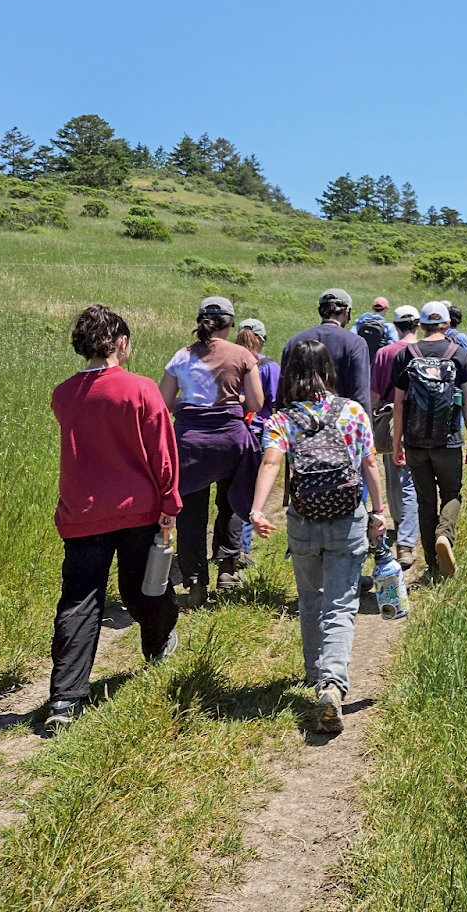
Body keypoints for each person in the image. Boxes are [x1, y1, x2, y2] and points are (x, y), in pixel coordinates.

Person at [47, 305, 181, 728]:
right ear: (121, 343)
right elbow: (163, 454)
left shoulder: (63, 394)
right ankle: (158, 644)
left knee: (79, 601)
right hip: (138, 509)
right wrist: (170, 504)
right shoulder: (141, 390)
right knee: (145, 586)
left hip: (82, 513)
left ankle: (65, 702)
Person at [248, 340, 387, 733]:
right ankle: (331, 683)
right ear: (328, 371)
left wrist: (258, 510)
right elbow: (369, 463)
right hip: (346, 518)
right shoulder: (352, 411)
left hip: (303, 520)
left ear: (291, 372)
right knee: (340, 605)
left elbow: (271, 463)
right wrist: (378, 512)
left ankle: (314, 672)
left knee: (310, 598)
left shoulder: (283, 419)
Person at [160, 296, 264, 605]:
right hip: (230, 439)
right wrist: (230, 403)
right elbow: (256, 403)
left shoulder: (182, 356)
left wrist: (191, 407)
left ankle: (194, 583)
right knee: (231, 501)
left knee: (191, 512)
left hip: (190, 441)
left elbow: (164, 403)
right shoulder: (242, 354)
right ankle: (227, 567)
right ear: (231, 324)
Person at [391, 301, 467, 580]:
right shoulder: (460, 354)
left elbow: (399, 404)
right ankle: (445, 536)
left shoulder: (407, 355)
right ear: (448, 324)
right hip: (448, 440)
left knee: (426, 501)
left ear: (420, 325)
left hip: (416, 442)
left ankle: (432, 566)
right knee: (451, 494)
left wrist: (397, 443)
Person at [370, 305, 423, 567]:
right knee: (412, 482)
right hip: (422, 423)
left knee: (393, 478)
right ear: (418, 325)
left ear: (395, 325)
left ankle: (402, 527)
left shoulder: (384, 353)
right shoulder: (425, 351)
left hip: (392, 423)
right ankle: (407, 539)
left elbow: (375, 395)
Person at [227, 318, 280, 557]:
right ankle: (243, 550)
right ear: (260, 339)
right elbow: (277, 401)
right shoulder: (268, 366)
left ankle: (226, 545)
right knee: (250, 490)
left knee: (228, 491)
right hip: (257, 431)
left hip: (231, 429)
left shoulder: (228, 362)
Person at [280, 288, 372, 414]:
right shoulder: (355, 343)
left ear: (321, 311)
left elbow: (283, 392)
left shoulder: (295, 341)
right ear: (347, 311)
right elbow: (360, 395)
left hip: (298, 424)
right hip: (340, 425)